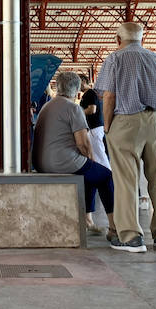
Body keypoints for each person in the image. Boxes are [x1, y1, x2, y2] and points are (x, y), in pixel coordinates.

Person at [96, 21, 156, 253]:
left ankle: (131, 237)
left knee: (126, 180)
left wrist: (108, 126)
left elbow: (109, 96)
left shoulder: (114, 59)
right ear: (142, 38)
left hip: (125, 120)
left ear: (117, 40)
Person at [33, 72, 116, 242]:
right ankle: (114, 228)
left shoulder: (47, 106)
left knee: (92, 174)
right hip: (62, 162)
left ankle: (88, 221)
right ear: (77, 89)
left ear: (58, 87)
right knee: (105, 176)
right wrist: (91, 159)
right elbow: (83, 144)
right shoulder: (73, 108)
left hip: (42, 162)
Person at [79, 74, 110, 233]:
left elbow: (92, 109)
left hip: (94, 130)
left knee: (100, 161)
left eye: (79, 82)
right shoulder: (87, 94)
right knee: (97, 160)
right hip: (94, 130)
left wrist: (78, 113)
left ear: (84, 81)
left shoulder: (89, 93)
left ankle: (108, 177)